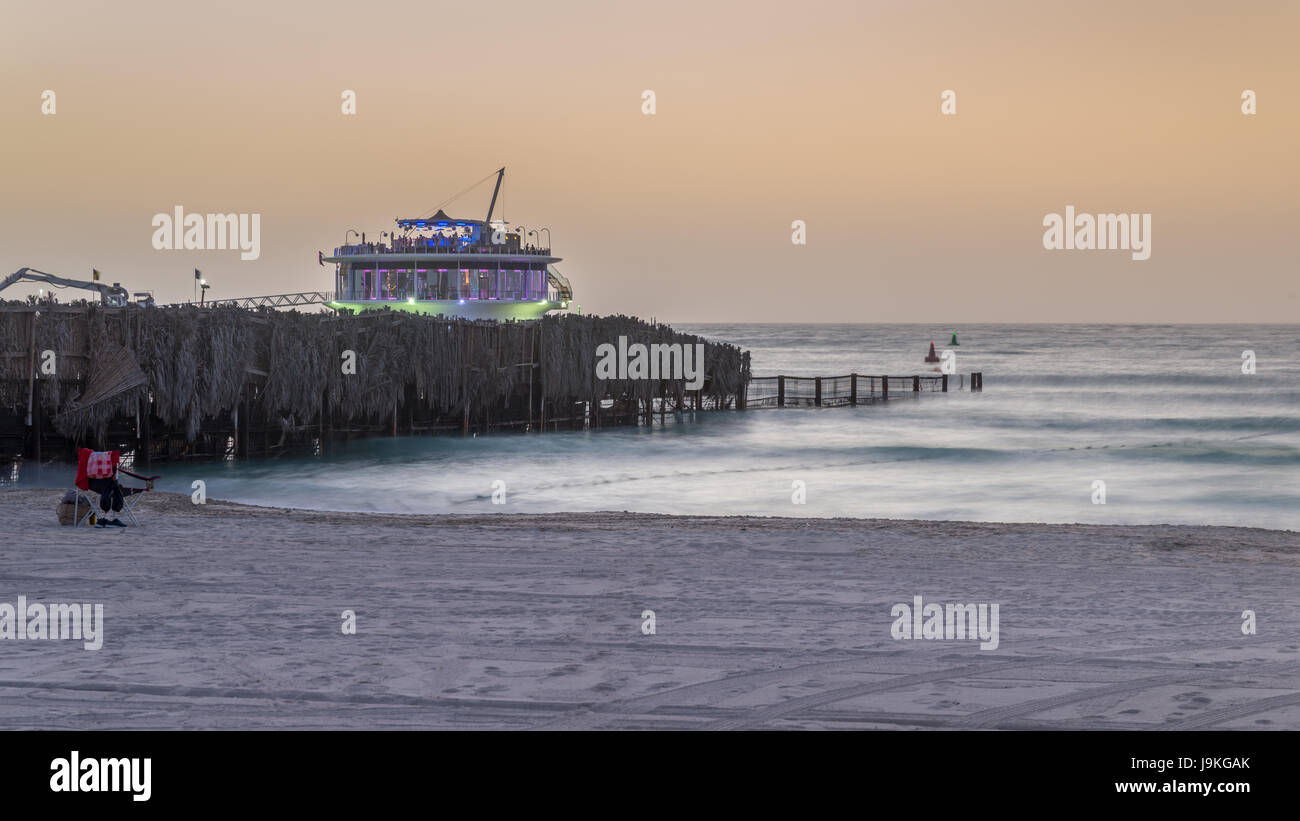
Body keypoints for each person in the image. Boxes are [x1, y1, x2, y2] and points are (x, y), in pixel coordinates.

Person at [76, 448, 156, 528]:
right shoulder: (111, 470)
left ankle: (102, 520)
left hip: (95, 487)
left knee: (112, 488)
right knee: (115, 488)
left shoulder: (89, 472)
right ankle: (114, 520)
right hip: (111, 488)